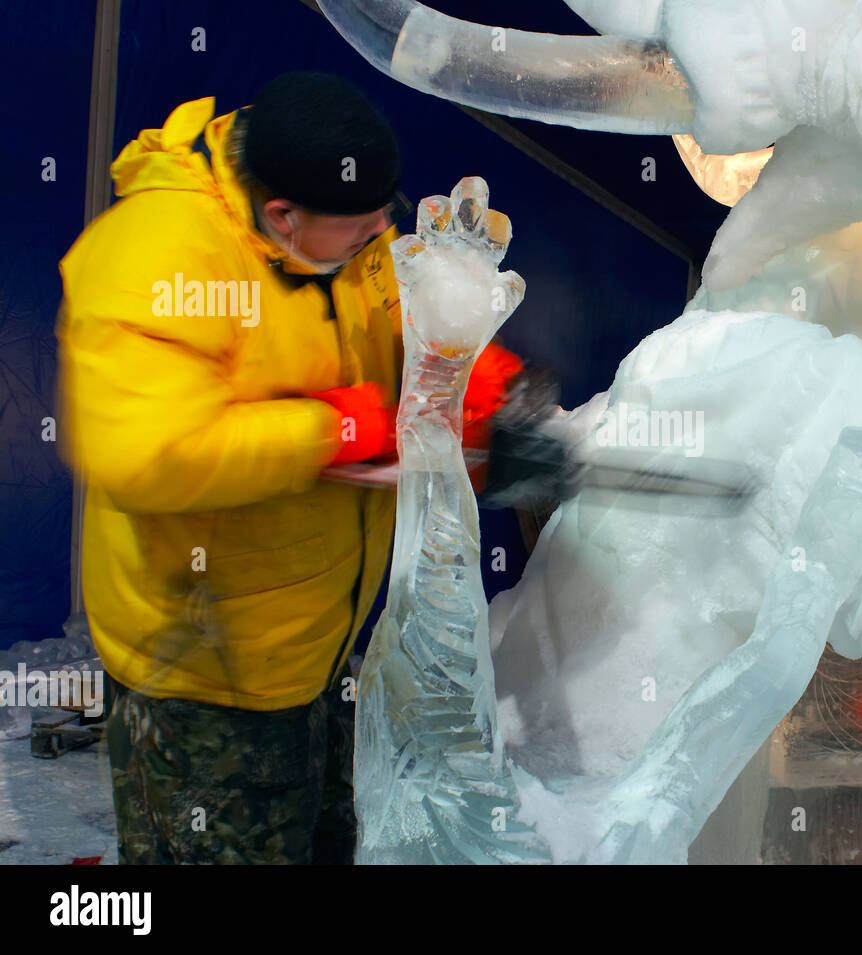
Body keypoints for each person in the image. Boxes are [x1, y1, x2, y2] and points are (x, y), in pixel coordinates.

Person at [57, 72, 521, 864]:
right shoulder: (156, 255)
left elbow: (400, 335)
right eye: (363, 225)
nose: (384, 235)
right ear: (282, 217)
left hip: (318, 649)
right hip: (203, 676)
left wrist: (486, 401)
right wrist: (343, 431)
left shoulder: (336, 216)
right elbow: (147, 450)